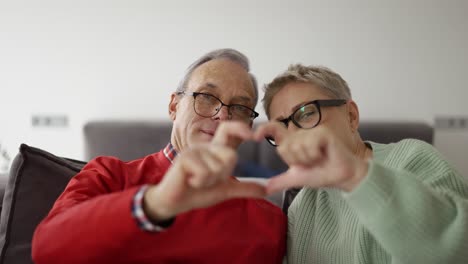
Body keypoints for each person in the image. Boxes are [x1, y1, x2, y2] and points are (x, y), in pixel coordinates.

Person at [32, 49, 286, 263]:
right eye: (207, 97)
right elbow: (47, 250)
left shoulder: (268, 220)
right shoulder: (108, 176)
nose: (222, 115)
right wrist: (155, 204)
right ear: (174, 106)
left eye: (240, 107)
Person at [253, 64, 468, 264]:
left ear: (351, 116)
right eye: (280, 127)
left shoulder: (413, 158)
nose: (292, 135)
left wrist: (355, 176)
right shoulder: (301, 205)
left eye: (307, 113)